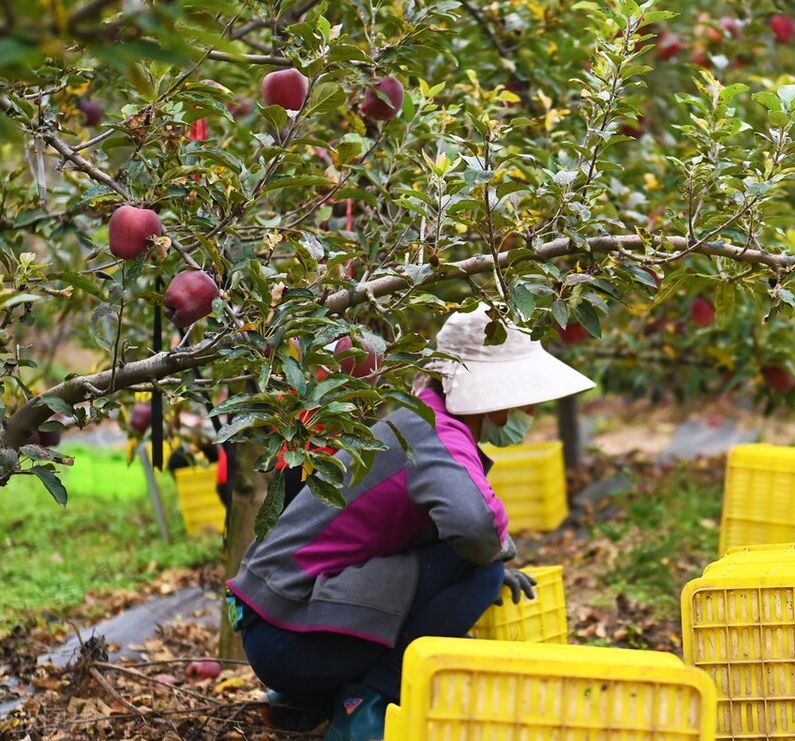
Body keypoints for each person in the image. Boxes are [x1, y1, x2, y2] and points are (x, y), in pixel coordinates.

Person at [225, 304, 596, 740]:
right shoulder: (437, 433)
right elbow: (476, 530)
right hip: (290, 639)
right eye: (524, 398)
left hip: (273, 625)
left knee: (472, 569)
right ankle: (367, 705)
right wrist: (492, 564)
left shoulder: (418, 420)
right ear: (493, 394)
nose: (529, 411)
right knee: (482, 570)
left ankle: (306, 702)